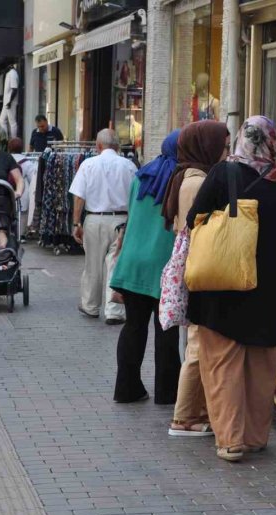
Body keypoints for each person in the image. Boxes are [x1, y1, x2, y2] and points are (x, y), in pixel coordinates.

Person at [186, 116, 276, 462]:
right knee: (261, 367)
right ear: (271, 140)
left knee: (224, 366)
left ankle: (231, 441)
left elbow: (194, 217)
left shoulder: (222, 173)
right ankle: (254, 437)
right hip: (265, 288)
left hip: (223, 285)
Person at [161, 120, 231, 436]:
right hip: (200, 269)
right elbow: (200, 230)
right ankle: (186, 417)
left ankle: (193, 413)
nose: (227, 153)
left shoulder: (189, 176)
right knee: (197, 345)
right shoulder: (196, 182)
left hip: (196, 268)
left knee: (197, 343)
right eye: (224, 146)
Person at [108, 130, 185, 404]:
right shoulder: (183, 178)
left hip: (133, 260)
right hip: (163, 263)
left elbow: (131, 214)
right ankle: (167, 392)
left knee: (133, 326)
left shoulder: (142, 175)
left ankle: (126, 389)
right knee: (166, 330)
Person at [69, 129, 135, 324]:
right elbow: (135, 196)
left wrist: (76, 222)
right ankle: (114, 310)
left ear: (98, 146)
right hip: (122, 220)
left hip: (94, 219)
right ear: (118, 146)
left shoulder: (88, 165)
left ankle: (90, 306)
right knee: (116, 264)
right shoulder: (129, 166)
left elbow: (79, 196)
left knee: (93, 264)